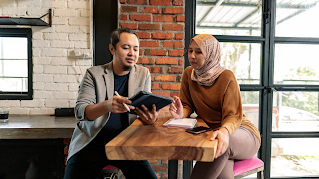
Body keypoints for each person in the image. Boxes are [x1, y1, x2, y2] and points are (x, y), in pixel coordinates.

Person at [64, 28, 159, 179]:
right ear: (112, 48)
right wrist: (107, 106)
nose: (132, 53)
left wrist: (150, 119)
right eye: (126, 47)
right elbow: (81, 111)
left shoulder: (143, 74)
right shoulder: (93, 74)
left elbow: (143, 110)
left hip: (126, 143)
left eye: (136, 49)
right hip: (93, 142)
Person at [169, 34, 261, 179]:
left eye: (198, 52)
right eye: (190, 51)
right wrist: (182, 113)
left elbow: (233, 116)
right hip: (215, 134)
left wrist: (224, 131)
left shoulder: (227, 77)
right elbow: (187, 104)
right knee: (222, 172)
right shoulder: (189, 74)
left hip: (241, 132)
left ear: (211, 54)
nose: (192, 56)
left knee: (219, 145)